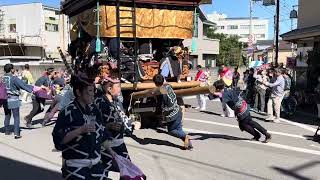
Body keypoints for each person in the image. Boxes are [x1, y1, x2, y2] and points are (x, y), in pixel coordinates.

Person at [52, 73, 110, 180]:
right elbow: (59, 141)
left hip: (96, 167)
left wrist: (114, 155)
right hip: (75, 168)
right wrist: (80, 130)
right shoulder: (67, 112)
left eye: (94, 91)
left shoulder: (94, 109)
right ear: (79, 92)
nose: (93, 95)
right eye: (89, 91)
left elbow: (103, 134)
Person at [95, 75, 133, 173]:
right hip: (105, 145)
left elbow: (122, 117)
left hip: (119, 144)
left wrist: (130, 123)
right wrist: (107, 126)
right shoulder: (99, 103)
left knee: (128, 170)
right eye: (118, 87)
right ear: (109, 88)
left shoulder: (117, 101)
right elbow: (92, 122)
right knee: (104, 172)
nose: (120, 89)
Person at [153, 74, 193, 150]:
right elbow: (162, 87)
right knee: (179, 130)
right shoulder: (169, 86)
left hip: (172, 115)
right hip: (178, 111)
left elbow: (160, 103)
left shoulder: (161, 92)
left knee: (171, 131)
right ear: (164, 80)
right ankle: (189, 145)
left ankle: (186, 137)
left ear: (155, 83)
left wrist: (155, 95)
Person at [2, 64, 38, 139]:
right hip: (13, 99)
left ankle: (7, 131)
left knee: (7, 115)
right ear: (11, 70)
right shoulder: (14, 78)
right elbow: (23, 85)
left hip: (5, 99)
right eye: (13, 68)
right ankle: (16, 133)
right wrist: (33, 89)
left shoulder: (2, 78)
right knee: (16, 116)